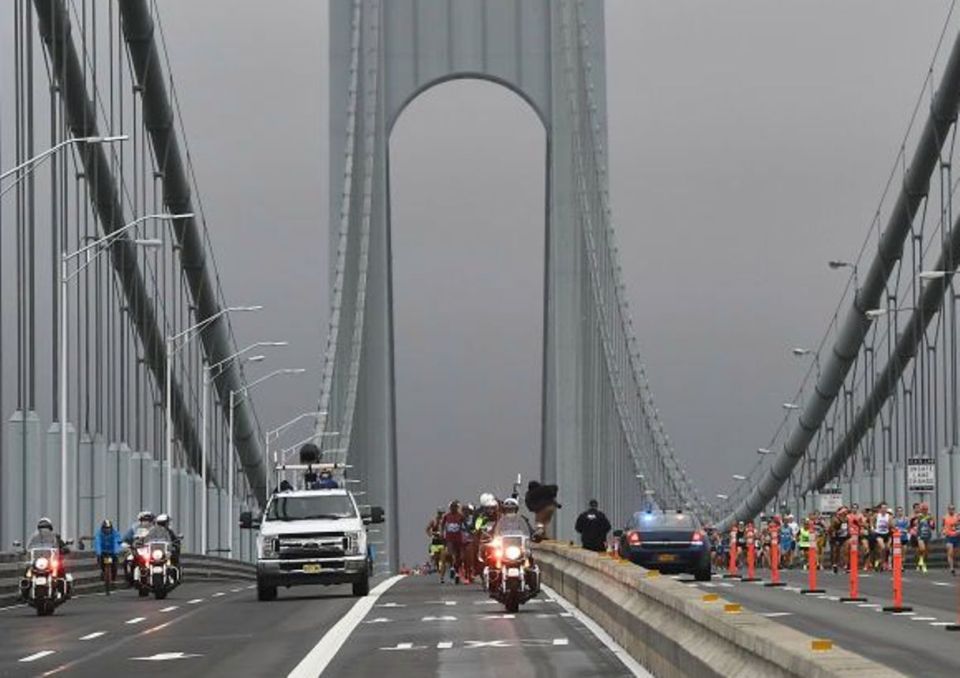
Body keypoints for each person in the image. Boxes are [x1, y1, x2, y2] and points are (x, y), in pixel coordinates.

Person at [22, 518, 72, 600]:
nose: (44, 529)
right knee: (28, 571)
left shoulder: (55, 537)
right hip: (38, 562)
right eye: (42, 527)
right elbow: (29, 548)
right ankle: (24, 592)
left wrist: (64, 549)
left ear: (50, 528)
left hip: (51, 561)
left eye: (45, 527)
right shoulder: (34, 538)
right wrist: (24, 551)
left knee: (61, 570)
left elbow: (64, 547)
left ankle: (65, 590)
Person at [94, 519, 122, 592]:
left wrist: (116, 551)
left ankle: (113, 580)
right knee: (100, 562)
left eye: (108, 528)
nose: (107, 530)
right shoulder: (99, 534)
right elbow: (97, 543)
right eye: (105, 528)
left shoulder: (115, 534)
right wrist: (99, 552)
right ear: (102, 528)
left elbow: (117, 542)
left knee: (115, 565)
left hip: (112, 553)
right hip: (103, 552)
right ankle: (103, 572)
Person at [440, 501, 464, 584]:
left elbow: (465, 526)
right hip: (449, 538)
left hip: (458, 539)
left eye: (455, 507)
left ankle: (457, 573)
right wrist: (441, 533)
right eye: (452, 507)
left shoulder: (461, 516)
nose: (453, 509)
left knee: (459, 557)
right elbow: (442, 525)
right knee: (450, 554)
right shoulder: (447, 516)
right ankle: (452, 569)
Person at [915, 503, 935, 573]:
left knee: (926, 552)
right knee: (922, 549)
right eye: (923, 509)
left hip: (928, 535)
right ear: (921, 510)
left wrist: (931, 523)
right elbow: (915, 524)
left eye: (926, 509)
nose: (925, 511)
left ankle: (923, 563)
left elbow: (933, 527)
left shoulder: (930, 517)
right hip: (920, 535)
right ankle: (920, 560)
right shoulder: (919, 516)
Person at [425, 508, 445, 576]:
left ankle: (444, 569)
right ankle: (437, 567)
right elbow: (427, 529)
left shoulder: (444, 521)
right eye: (440, 513)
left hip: (443, 542)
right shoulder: (433, 521)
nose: (441, 515)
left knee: (443, 556)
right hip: (435, 542)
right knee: (435, 557)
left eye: (442, 513)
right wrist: (431, 534)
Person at [942, 504, 958, 576]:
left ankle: (954, 564)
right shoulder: (945, 517)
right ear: (948, 510)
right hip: (949, 536)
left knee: (955, 553)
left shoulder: (957, 516)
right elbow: (943, 525)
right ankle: (952, 569)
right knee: (950, 552)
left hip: (957, 536)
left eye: (953, 509)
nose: (951, 510)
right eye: (950, 509)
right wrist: (943, 531)